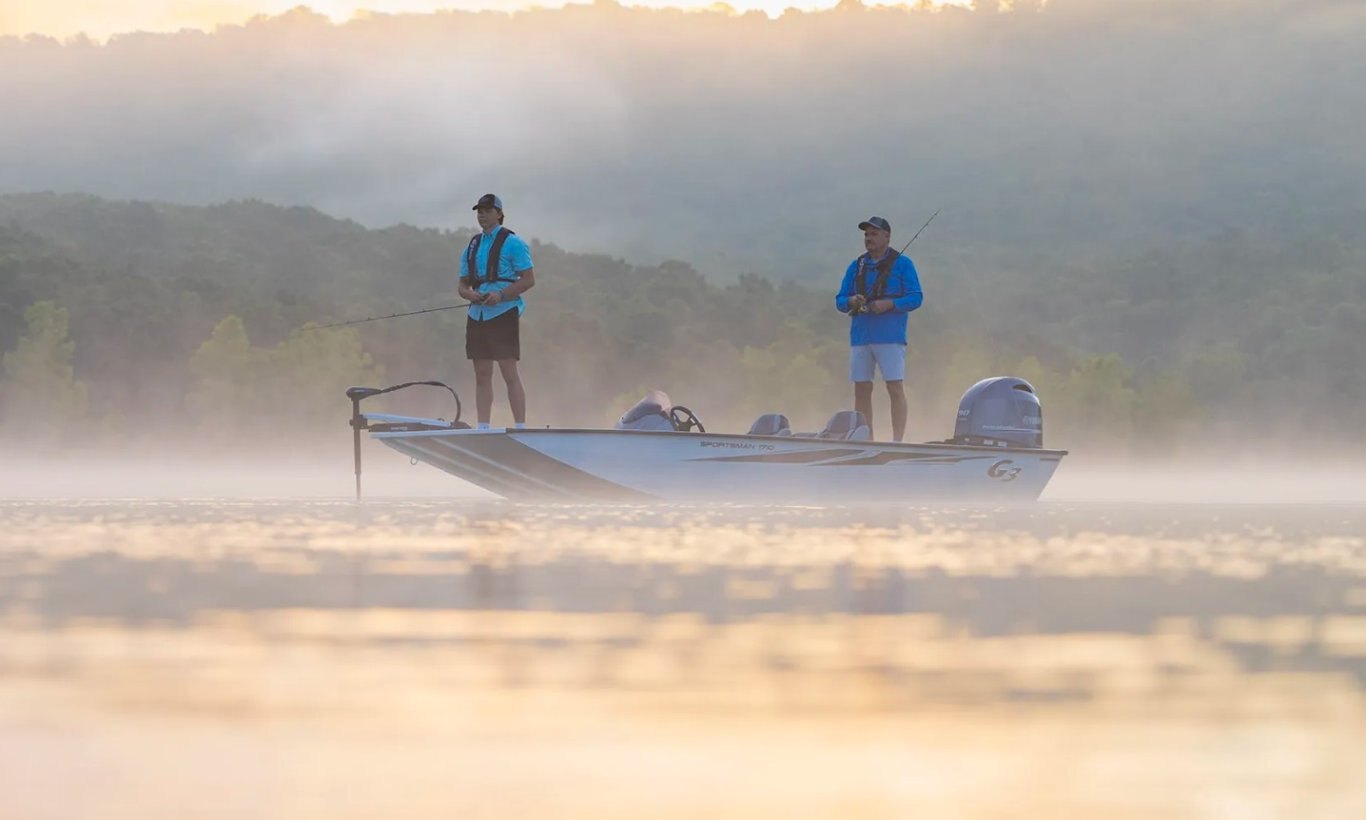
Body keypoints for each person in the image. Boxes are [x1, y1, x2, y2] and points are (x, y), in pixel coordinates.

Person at [834, 215, 924, 441]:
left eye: (874, 234)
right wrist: (851, 301)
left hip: (890, 337)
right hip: (860, 337)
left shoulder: (903, 264)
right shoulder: (856, 266)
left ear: (887, 237)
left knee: (894, 387)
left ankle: (897, 441)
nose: (869, 238)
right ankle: (866, 438)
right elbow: (840, 300)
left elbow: (916, 298)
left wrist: (889, 304)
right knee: (861, 390)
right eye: (866, 234)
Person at [456, 193, 536, 429]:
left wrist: (500, 295)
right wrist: (471, 295)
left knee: (509, 372)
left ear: (499, 214)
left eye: (487, 211)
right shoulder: (472, 246)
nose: (482, 215)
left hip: (503, 312)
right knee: (481, 374)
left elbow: (528, 280)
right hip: (477, 314)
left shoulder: (514, 243)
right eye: (479, 211)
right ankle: (483, 427)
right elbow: (462, 285)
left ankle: (520, 427)